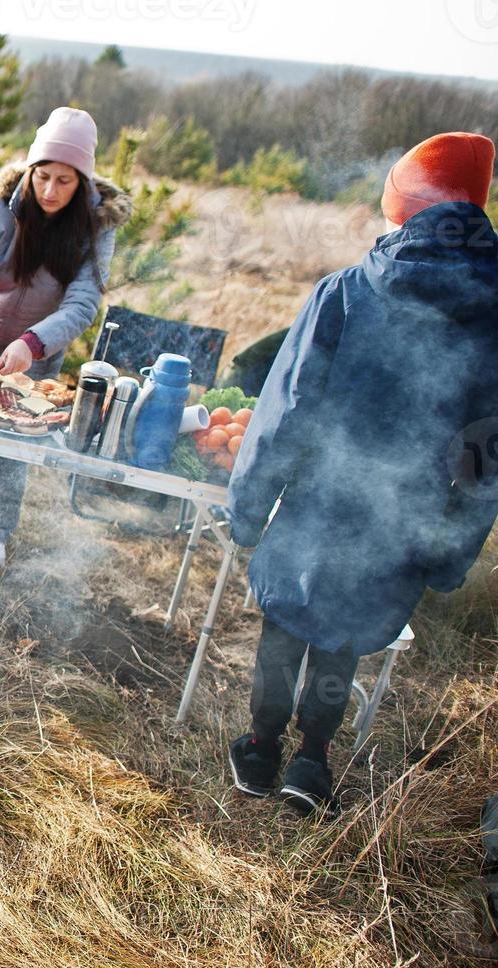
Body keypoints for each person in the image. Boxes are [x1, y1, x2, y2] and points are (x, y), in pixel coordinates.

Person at [227, 132, 498, 817]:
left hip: (317, 505)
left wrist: (249, 504)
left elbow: (286, 410)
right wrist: (449, 550)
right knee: (341, 640)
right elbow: (484, 449)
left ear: (401, 210)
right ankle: (310, 763)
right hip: (401, 523)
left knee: (285, 625)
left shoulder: (347, 291)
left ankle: (260, 749)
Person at [0, 107, 132, 568]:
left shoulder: (97, 225)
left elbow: (83, 303)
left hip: (37, 351)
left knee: (15, 442)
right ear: (30, 170)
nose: (49, 191)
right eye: (43, 176)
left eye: (65, 181)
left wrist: (33, 343)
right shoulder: (3, 204)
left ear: (82, 181)